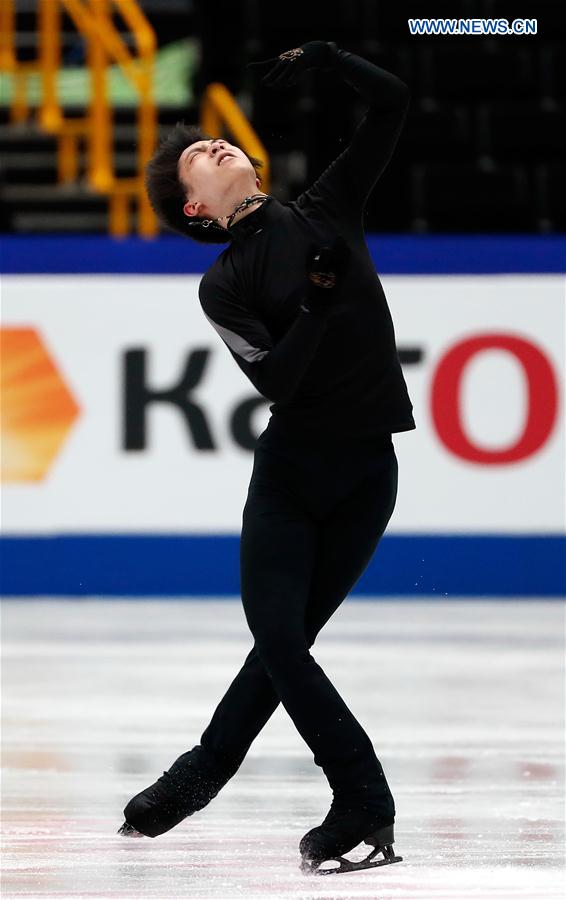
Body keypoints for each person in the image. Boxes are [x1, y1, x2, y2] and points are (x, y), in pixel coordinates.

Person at [118, 40, 414, 876]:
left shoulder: (328, 207)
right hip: (290, 478)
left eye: (211, 141)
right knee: (280, 639)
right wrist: (316, 307)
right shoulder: (225, 282)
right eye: (192, 160)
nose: (209, 147)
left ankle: (204, 768)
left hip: (368, 476)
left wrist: (328, 56)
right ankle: (363, 797)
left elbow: (392, 101)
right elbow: (275, 379)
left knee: (284, 644)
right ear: (196, 212)